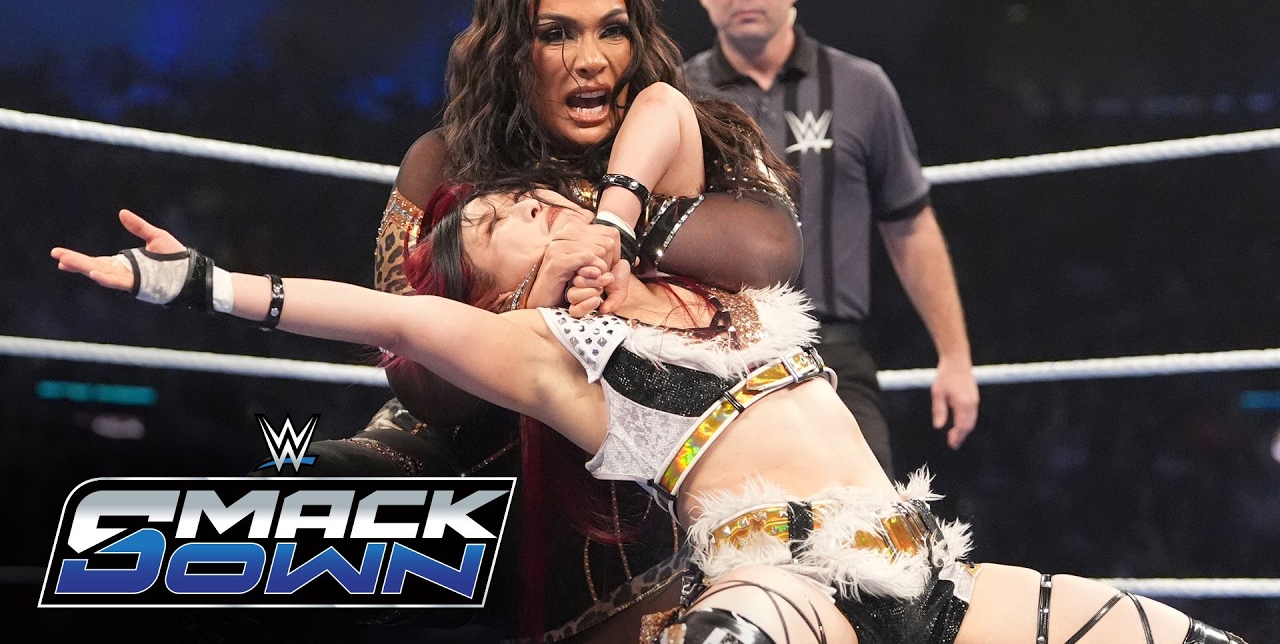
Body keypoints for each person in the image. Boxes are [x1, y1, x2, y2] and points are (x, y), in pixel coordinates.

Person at [52, 80, 1247, 644]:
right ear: (495, 288)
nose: (527, 205)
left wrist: (613, 215)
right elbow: (386, 318)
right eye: (498, 221)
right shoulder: (540, 348)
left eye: (528, 195)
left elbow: (668, 105)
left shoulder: (691, 277)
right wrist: (197, 285)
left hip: (923, 572)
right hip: (785, 592)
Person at [360, 0, 807, 643]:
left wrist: (604, 225)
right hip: (479, 441)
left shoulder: (704, 133)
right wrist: (531, 301)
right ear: (510, 50)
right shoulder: (444, 161)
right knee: (308, 503)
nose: (591, 58)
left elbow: (769, 251)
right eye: (556, 34)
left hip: (648, 463)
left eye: (612, 30)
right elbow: (413, 374)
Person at [683, 0, 979, 476]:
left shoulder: (862, 87)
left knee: (870, 517)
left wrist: (955, 357)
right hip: (716, 355)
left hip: (834, 350)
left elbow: (910, 225)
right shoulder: (677, 100)